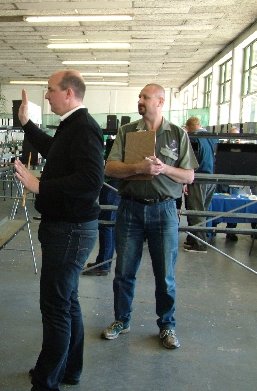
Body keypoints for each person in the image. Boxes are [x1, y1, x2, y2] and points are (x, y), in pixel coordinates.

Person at [14, 70, 104, 391]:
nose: (47, 95)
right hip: (68, 229)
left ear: (69, 93)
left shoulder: (85, 130)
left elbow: (91, 179)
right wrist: (27, 124)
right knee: (67, 302)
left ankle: (46, 381)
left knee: (55, 307)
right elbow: (54, 151)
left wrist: (39, 185)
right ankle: (68, 371)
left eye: (51, 90)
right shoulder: (73, 126)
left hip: (70, 231)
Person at [101, 84, 198, 349]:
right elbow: (110, 168)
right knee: (123, 271)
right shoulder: (127, 131)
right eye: (140, 96)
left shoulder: (177, 134)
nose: (140, 100)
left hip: (164, 210)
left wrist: (164, 168)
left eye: (145, 97)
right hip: (130, 209)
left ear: (160, 102)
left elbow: (189, 176)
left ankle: (167, 326)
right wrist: (138, 168)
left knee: (165, 274)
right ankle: (122, 320)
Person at [183, 116, 218, 253]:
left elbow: (193, 161)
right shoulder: (213, 137)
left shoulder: (193, 139)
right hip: (213, 178)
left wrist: (185, 180)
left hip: (198, 178)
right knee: (203, 210)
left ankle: (200, 244)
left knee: (195, 211)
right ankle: (193, 239)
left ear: (189, 127)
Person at [82, 179, 120, 276]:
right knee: (106, 225)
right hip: (110, 182)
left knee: (107, 225)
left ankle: (103, 264)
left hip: (113, 182)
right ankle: (103, 261)